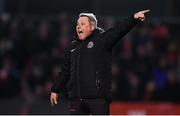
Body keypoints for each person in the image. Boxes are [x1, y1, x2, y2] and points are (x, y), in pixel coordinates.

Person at [50, 10, 150, 115]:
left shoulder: (101, 40)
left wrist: (133, 18)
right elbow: (65, 71)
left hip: (97, 98)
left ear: (92, 27)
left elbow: (118, 30)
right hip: (76, 99)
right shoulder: (72, 47)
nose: (78, 26)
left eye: (82, 24)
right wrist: (55, 89)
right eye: (77, 24)